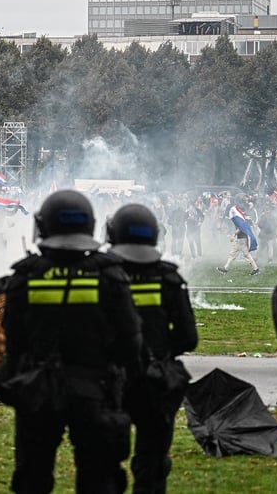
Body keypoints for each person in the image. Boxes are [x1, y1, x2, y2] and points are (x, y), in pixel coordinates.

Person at [0, 189, 141, 493]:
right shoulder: (109, 274)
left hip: (38, 391)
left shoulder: (26, 275)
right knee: (98, 478)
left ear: (43, 225)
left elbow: (13, 337)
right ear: (89, 225)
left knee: (32, 477)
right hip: (94, 389)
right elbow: (130, 340)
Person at [106, 204, 197, 494]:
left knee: (104, 466)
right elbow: (188, 338)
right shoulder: (169, 279)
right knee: (152, 466)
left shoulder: (101, 277)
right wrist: (159, 352)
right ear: (155, 236)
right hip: (155, 382)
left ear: (112, 234)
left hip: (111, 381)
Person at [217, 200, 260, 276]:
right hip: (242, 238)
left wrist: (233, 235)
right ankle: (255, 269)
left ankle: (225, 269)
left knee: (237, 255)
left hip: (241, 239)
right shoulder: (243, 216)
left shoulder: (240, 218)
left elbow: (240, 227)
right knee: (238, 255)